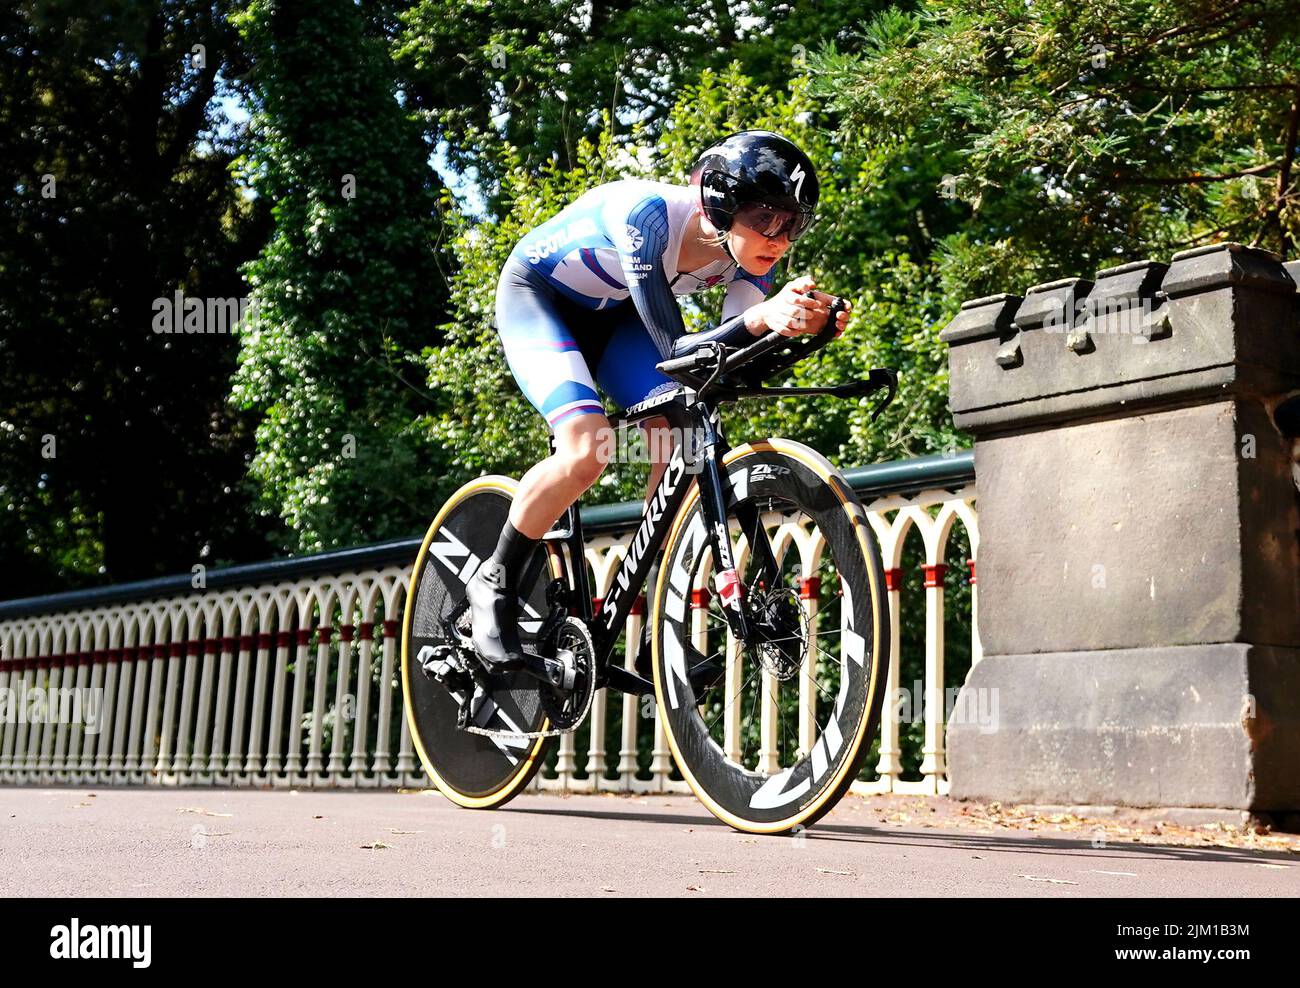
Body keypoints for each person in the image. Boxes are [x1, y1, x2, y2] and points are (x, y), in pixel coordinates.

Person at [468, 129, 851, 670]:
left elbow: (726, 359)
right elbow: (676, 348)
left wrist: (806, 326)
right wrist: (762, 319)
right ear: (721, 203)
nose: (781, 239)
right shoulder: (646, 216)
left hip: (615, 316)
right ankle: (494, 582)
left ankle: (657, 635)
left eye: (793, 225)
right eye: (768, 220)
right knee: (587, 449)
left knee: (684, 441)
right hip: (541, 299)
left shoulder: (748, 258)